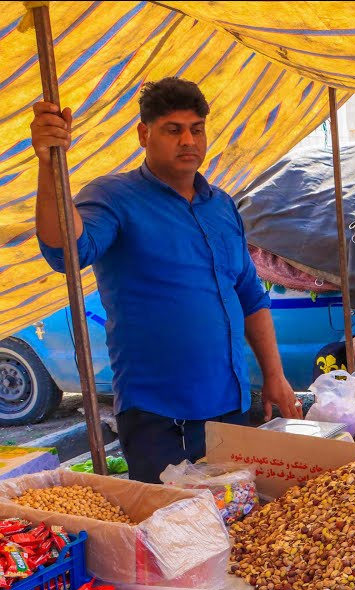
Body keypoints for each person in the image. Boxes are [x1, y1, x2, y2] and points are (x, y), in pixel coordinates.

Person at [31, 78, 300, 485]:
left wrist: (275, 377)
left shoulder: (222, 205)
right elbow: (66, 253)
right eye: (173, 129)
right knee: (171, 535)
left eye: (197, 129)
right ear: (144, 134)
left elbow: (249, 297)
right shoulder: (113, 196)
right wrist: (50, 165)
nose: (188, 140)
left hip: (229, 409)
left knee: (239, 529)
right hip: (158, 417)